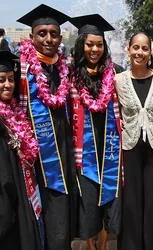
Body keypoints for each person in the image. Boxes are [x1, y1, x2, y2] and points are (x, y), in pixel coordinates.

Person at [16, 4, 77, 250]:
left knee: (59, 214)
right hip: (32, 156)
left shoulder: (62, 69)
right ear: (31, 37)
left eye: (53, 33)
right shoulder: (21, 70)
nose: (48, 39)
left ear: (60, 37)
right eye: (42, 33)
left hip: (61, 153)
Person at [69, 14, 124, 250]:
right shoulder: (70, 75)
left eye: (99, 44)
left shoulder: (115, 72)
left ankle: (103, 244)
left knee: (107, 196)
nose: (94, 49)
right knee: (88, 199)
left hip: (109, 145)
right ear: (82, 44)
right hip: (84, 148)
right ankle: (90, 245)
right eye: (90, 44)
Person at [115, 32, 153, 250]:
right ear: (128, 49)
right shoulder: (118, 80)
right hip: (131, 148)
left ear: (150, 52)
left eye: (144, 48)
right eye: (136, 47)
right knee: (132, 202)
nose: (140, 52)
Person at [0, 50, 43, 250]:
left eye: (10, 79)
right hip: (6, 201)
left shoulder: (15, 113)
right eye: (1, 80)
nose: (7, 84)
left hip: (21, 194)